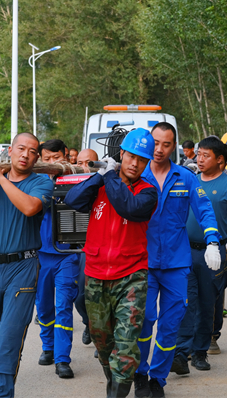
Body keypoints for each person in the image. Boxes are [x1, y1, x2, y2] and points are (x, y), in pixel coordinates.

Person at [65, 128, 158, 398]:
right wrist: (99, 177)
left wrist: (109, 178)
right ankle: (114, 379)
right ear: (122, 155)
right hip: (95, 274)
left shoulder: (148, 192)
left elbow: (127, 207)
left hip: (131, 277)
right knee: (103, 343)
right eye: (131, 157)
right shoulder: (104, 183)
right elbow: (72, 201)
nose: (135, 164)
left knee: (126, 345)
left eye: (142, 160)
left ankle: (117, 389)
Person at [135, 122, 222, 398]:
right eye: (156, 143)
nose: (159, 149)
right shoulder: (138, 176)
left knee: (171, 324)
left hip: (176, 263)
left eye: (166, 144)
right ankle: (139, 372)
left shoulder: (185, 177)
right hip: (144, 262)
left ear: (175, 146)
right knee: (144, 319)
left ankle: (157, 379)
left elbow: (205, 209)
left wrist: (212, 242)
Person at [0, 133, 53, 397]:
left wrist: (1, 178)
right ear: (11, 151)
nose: (25, 154)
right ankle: (2, 373)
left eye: (32, 151)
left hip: (22, 268)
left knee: (9, 336)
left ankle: (3, 390)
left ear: (37, 157)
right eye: (21, 149)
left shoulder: (41, 183)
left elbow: (29, 208)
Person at [172, 137, 227, 375]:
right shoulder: (190, 179)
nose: (199, 159)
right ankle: (181, 352)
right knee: (187, 302)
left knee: (208, 303)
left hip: (214, 253)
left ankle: (200, 352)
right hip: (185, 251)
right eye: (198, 154)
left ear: (220, 160)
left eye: (205, 155)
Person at [35, 139, 80, 378]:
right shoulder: (35, 182)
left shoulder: (78, 179)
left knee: (63, 305)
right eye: (47, 159)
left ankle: (63, 359)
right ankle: (48, 347)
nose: (52, 163)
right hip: (40, 253)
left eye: (56, 158)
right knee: (43, 305)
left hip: (67, 254)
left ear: (66, 155)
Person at [74, 148, 100, 346]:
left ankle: (99, 333)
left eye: (88, 163)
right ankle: (88, 323)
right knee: (78, 296)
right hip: (71, 247)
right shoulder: (71, 184)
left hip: (95, 246)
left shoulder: (104, 184)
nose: (83, 167)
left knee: (92, 293)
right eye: (79, 162)